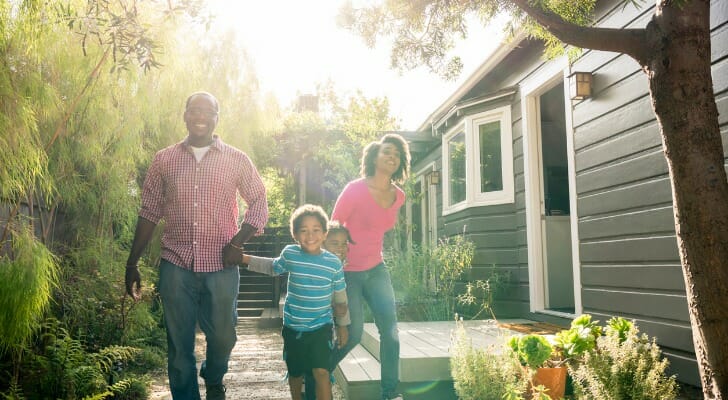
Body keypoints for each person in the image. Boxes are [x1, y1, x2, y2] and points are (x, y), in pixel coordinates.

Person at [124, 91, 268, 400]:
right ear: (185, 115)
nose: (201, 116)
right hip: (176, 264)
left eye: (208, 111)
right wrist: (132, 261)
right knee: (179, 346)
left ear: (217, 118)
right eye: (195, 110)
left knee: (224, 335)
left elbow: (258, 201)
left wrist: (237, 242)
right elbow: (149, 210)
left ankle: (214, 376)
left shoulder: (237, 159)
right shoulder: (164, 160)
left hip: (222, 264)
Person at [329, 133, 411, 400]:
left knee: (391, 332)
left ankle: (389, 392)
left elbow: (381, 227)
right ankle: (320, 370)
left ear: (400, 163)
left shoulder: (398, 196)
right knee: (352, 334)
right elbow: (334, 225)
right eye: (387, 151)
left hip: (376, 268)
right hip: (348, 272)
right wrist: (332, 265)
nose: (392, 157)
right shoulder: (355, 189)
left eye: (397, 155)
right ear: (375, 157)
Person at [242, 205, 350, 400]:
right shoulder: (290, 254)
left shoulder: (333, 263)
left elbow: (341, 298)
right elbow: (273, 267)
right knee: (296, 373)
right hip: (294, 327)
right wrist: (243, 258)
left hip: (321, 326)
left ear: (325, 233)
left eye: (316, 230)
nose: (310, 235)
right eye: (304, 230)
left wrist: (343, 326)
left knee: (322, 373)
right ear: (295, 235)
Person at [302, 221, 354, 400]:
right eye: (334, 243)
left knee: (319, 371)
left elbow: (341, 301)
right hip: (309, 329)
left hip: (326, 330)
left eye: (344, 244)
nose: (341, 248)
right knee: (317, 372)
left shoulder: (340, 268)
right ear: (323, 243)